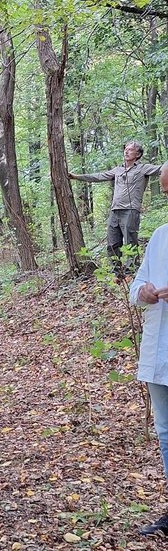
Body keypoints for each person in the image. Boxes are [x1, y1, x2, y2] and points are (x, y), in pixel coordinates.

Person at [129, 165, 168, 535]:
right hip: (159, 351)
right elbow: (138, 283)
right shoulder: (159, 236)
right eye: (164, 190)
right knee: (167, 433)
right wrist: (141, 292)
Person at [69, 142, 163, 275]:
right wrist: (76, 177)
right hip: (115, 211)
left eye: (130, 150)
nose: (126, 151)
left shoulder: (143, 168)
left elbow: (162, 168)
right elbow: (99, 176)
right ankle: (116, 273)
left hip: (131, 210)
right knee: (112, 243)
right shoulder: (117, 170)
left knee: (130, 242)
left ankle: (132, 272)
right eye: (126, 149)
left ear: (138, 154)